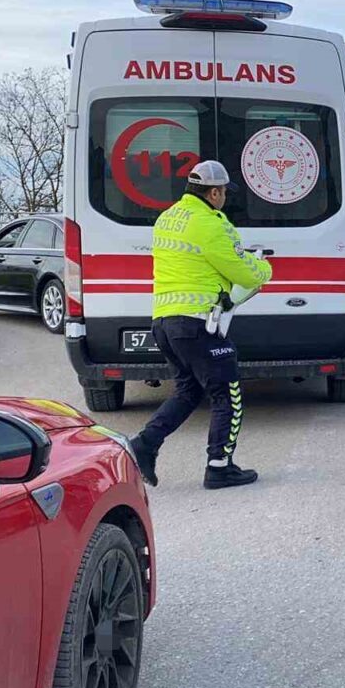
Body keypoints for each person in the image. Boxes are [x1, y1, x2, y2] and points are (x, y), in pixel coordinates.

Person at [129, 161, 273, 490]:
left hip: (164, 323)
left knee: (188, 391)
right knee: (228, 394)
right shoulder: (210, 224)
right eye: (224, 192)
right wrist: (264, 268)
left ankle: (144, 445)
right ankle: (219, 467)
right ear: (214, 192)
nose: (225, 198)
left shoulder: (167, 218)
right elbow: (244, 272)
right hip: (197, 324)